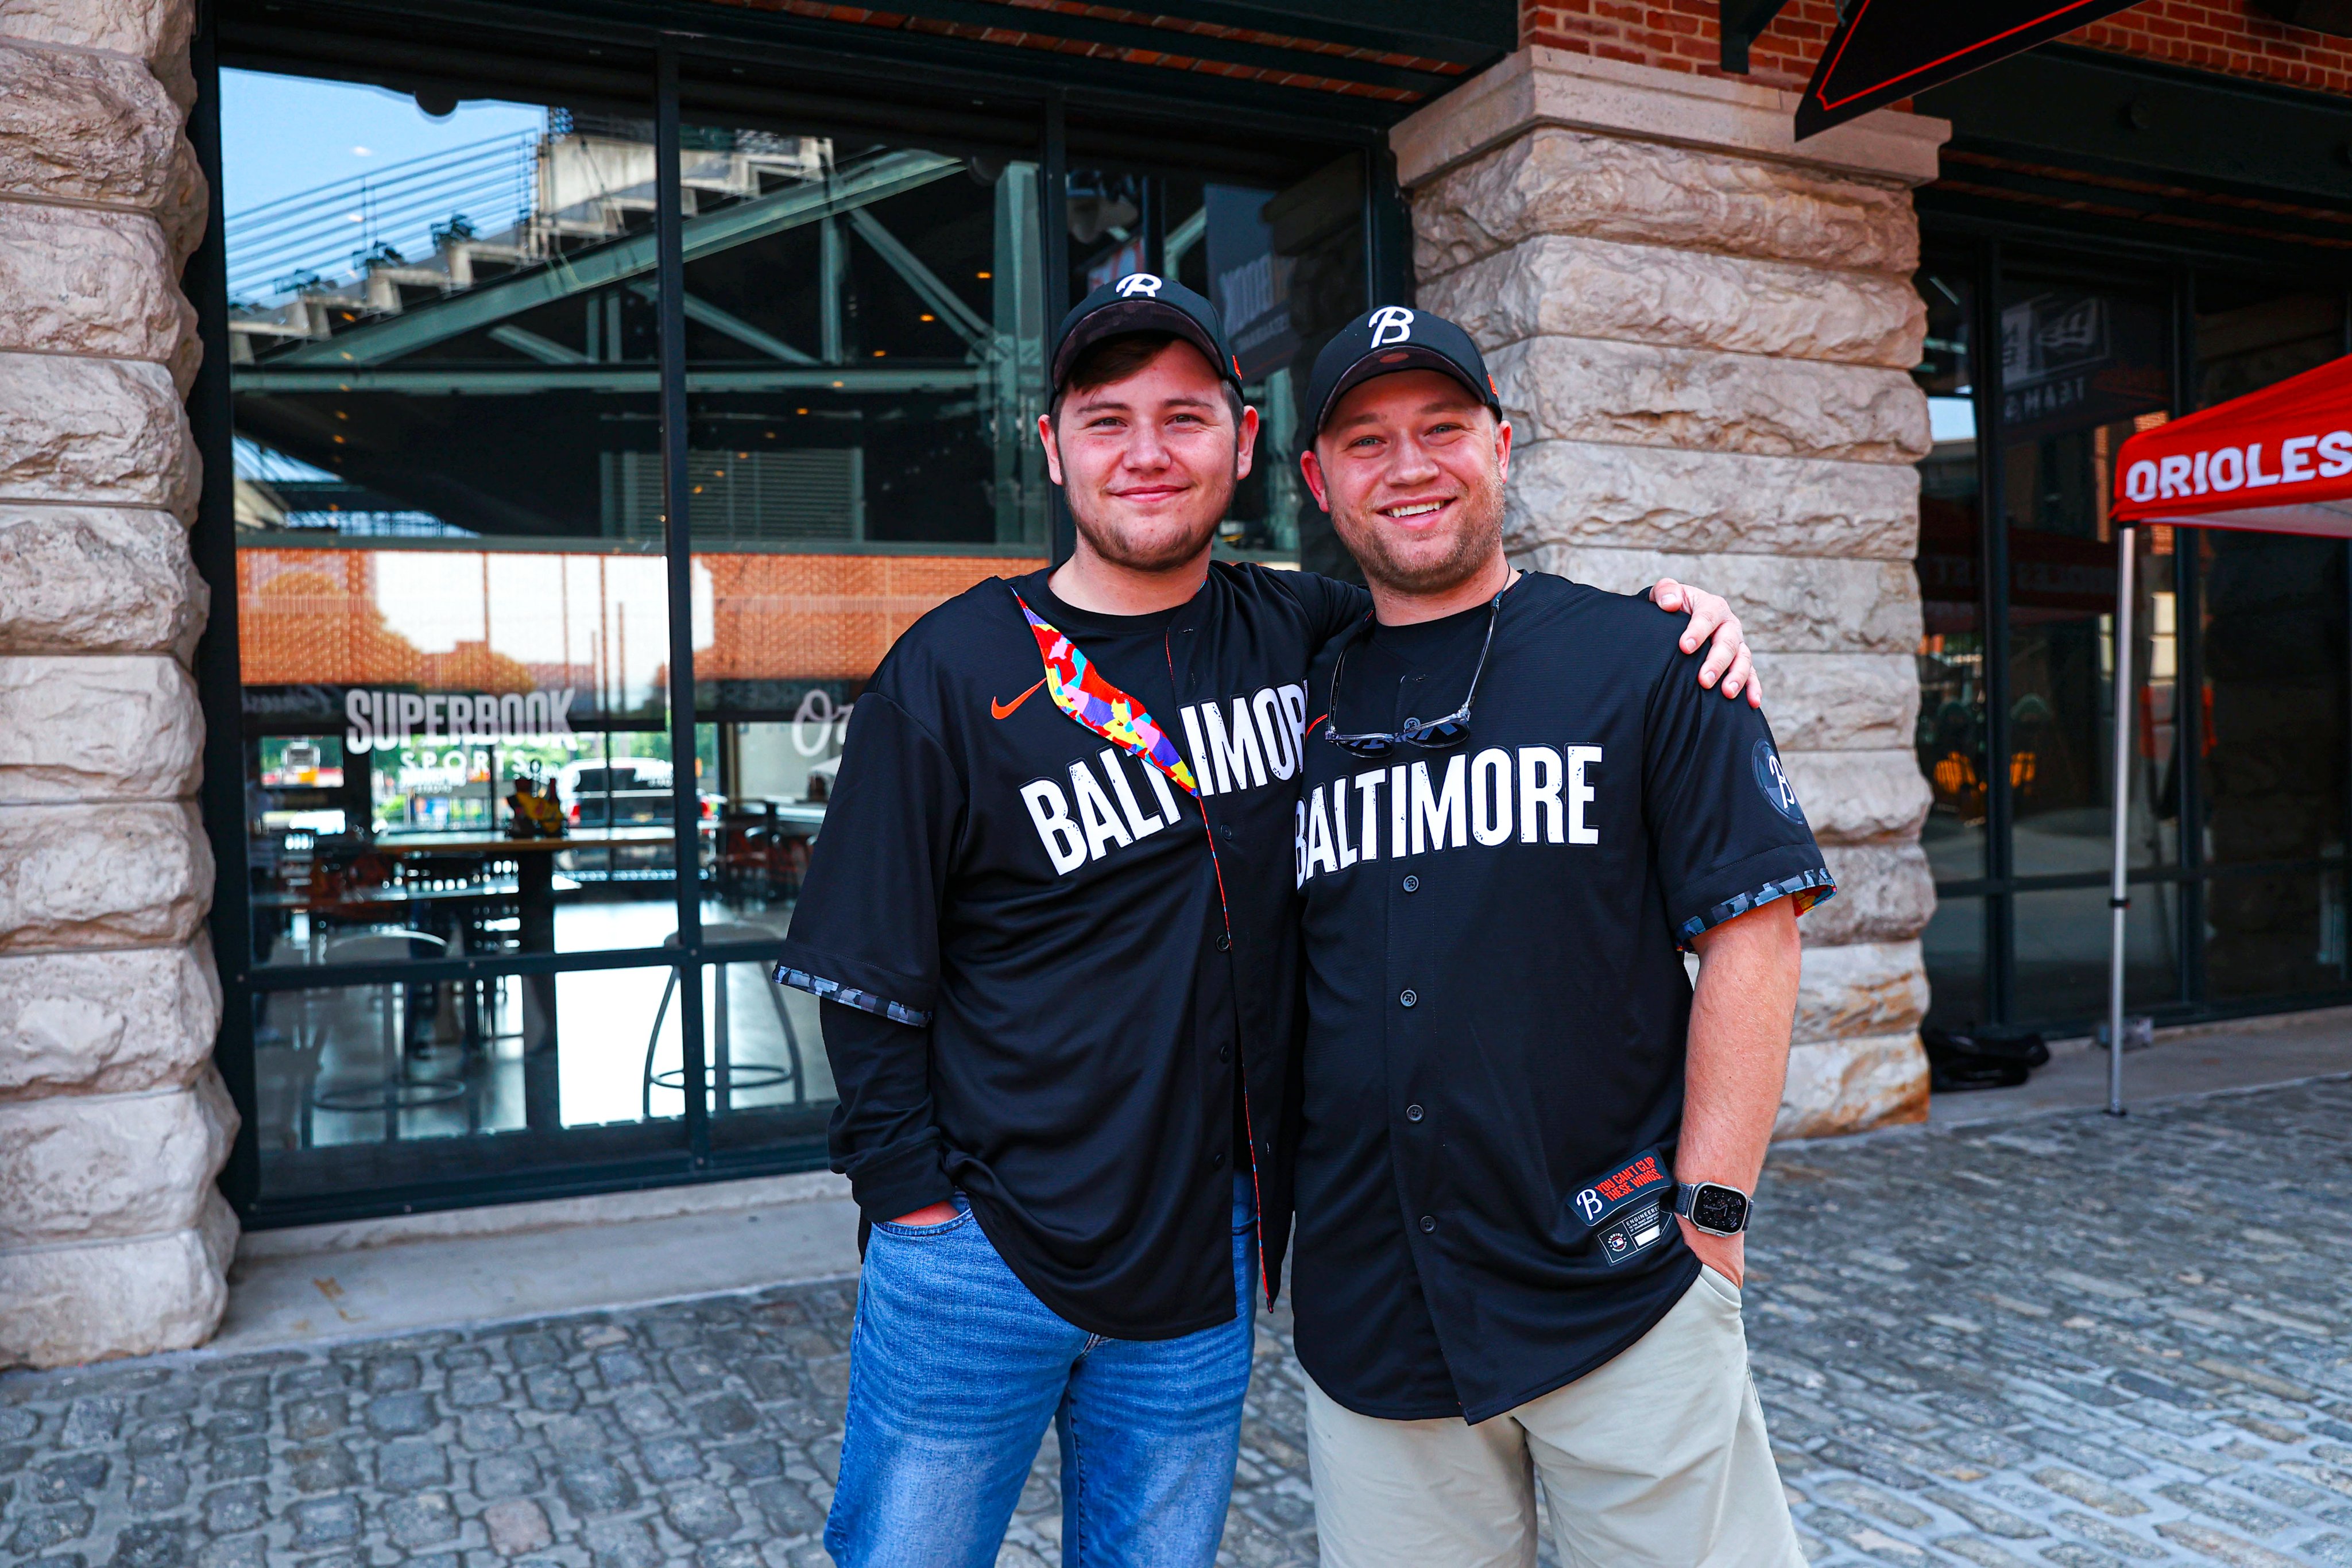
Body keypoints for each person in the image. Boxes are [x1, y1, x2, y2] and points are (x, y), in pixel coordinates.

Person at [773, 274, 1760, 1568]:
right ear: (1051, 444)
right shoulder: (952, 669)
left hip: (1201, 1258)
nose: (1144, 452)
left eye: (1183, 417)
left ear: (1242, 450)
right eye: (1106, 417)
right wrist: (911, 1208)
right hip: (979, 1256)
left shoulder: (1302, 630)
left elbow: (1462, 596)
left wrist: (1670, 622)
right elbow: (865, 971)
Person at [1286, 306, 1829, 1568]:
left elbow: (1754, 932)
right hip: (1376, 1311)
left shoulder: (1646, 659)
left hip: (1621, 1284)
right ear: (1315, 481)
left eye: (1440, 428)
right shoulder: (1282, 692)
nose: (1407, 465)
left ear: (1501, 443)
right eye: (1364, 441)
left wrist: (1712, 1221)